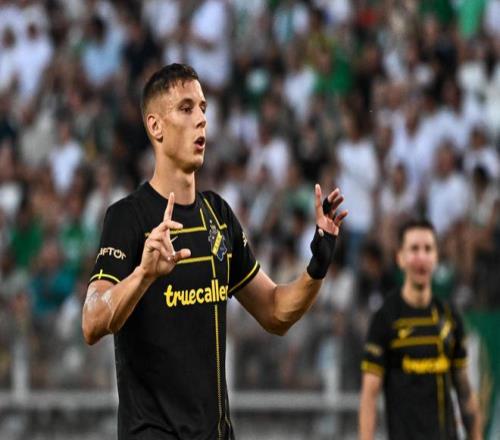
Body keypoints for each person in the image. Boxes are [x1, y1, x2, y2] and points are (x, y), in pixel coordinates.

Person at [81, 63, 347, 440]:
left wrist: (317, 265)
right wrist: (143, 275)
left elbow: (275, 312)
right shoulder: (128, 217)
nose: (201, 119)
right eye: (186, 108)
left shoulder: (217, 216)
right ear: (155, 126)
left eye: (203, 108)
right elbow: (92, 322)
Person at [359, 219, 482, 440]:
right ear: (400, 257)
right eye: (414, 249)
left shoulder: (450, 317)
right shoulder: (385, 318)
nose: (421, 258)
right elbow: (369, 395)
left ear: (436, 257)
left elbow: (465, 392)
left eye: (428, 249)